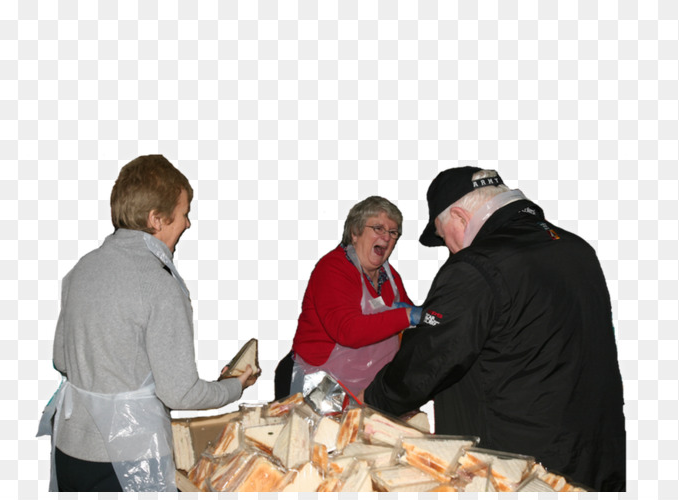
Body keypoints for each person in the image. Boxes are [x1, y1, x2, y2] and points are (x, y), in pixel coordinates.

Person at [363, 167, 626, 491]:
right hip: (595, 464)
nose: (452, 251)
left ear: (459, 216)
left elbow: (427, 360)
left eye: (446, 239)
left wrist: (372, 399)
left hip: (518, 475)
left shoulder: (478, 267)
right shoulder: (576, 249)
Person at [36, 155, 255, 492]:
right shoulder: (159, 283)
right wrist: (234, 386)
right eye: (184, 214)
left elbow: (62, 361)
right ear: (157, 219)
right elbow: (179, 393)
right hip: (128, 459)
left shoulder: (82, 269)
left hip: (70, 450)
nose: (187, 224)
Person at [282, 196, 422, 398]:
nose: (387, 237)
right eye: (378, 228)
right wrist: (406, 315)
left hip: (369, 388)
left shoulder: (390, 278)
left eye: (393, 232)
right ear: (355, 232)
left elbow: (407, 329)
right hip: (320, 384)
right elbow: (348, 331)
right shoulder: (333, 268)